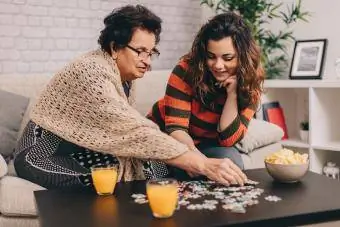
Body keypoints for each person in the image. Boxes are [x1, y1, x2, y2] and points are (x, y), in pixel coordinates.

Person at [13, 5, 247, 190]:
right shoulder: (91, 73)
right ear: (115, 48)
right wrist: (202, 163)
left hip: (81, 148)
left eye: (151, 52)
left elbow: (126, 136)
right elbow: (134, 131)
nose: (147, 60)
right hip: (40, 154)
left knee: (153, 169)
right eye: (140, 51)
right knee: (109, 182)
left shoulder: (123, 76)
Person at [147, 11, 264, 180]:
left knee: (232, 163)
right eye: (211, 57)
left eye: (228, 58)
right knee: (188, 171)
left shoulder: (250, 83)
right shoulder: (186, 70)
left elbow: (229, 140)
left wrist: (232, 95)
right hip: (167, 136)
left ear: (243, 57)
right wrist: (202, 164)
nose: (218, 65)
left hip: (206, 142)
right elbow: (176, 129)